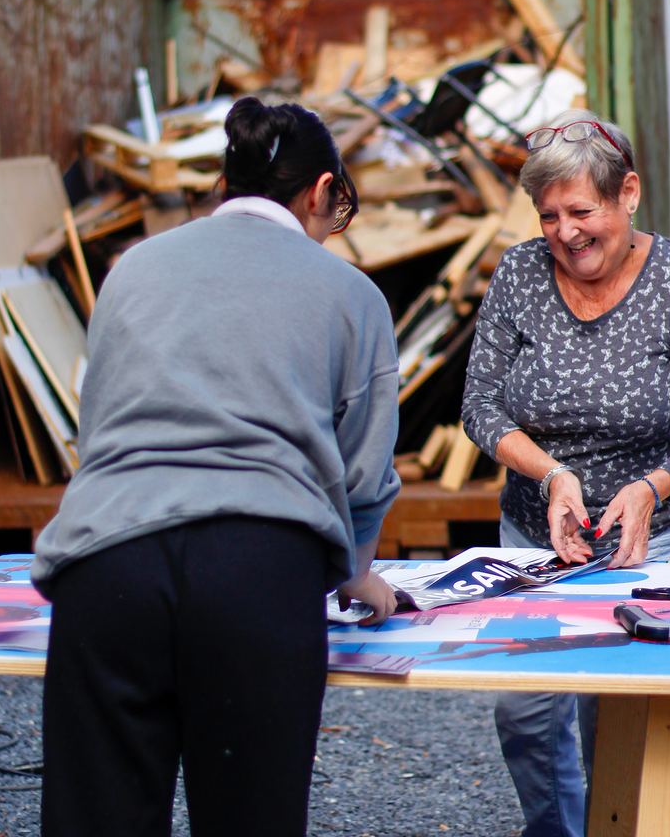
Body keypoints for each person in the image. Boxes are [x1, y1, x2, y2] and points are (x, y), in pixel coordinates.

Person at [31, 98, 401, 837]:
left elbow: (95, 424)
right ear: (322, 192)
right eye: (340, 210)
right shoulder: (352, 295)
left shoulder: (132, 268)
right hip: (258, 572)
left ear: (224, 184)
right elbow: (364, 473)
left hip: (106, 567)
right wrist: (357, 570)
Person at [461, 109, 670, 837]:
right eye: (548, 215)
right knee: (524, 708)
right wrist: (553, 476)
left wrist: (652, 489)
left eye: (582, 211)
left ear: (629, 195)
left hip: (648, 539)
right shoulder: (520, 273)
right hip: (534, 534)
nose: (565, 232)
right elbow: (479, 406)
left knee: (619, 718)